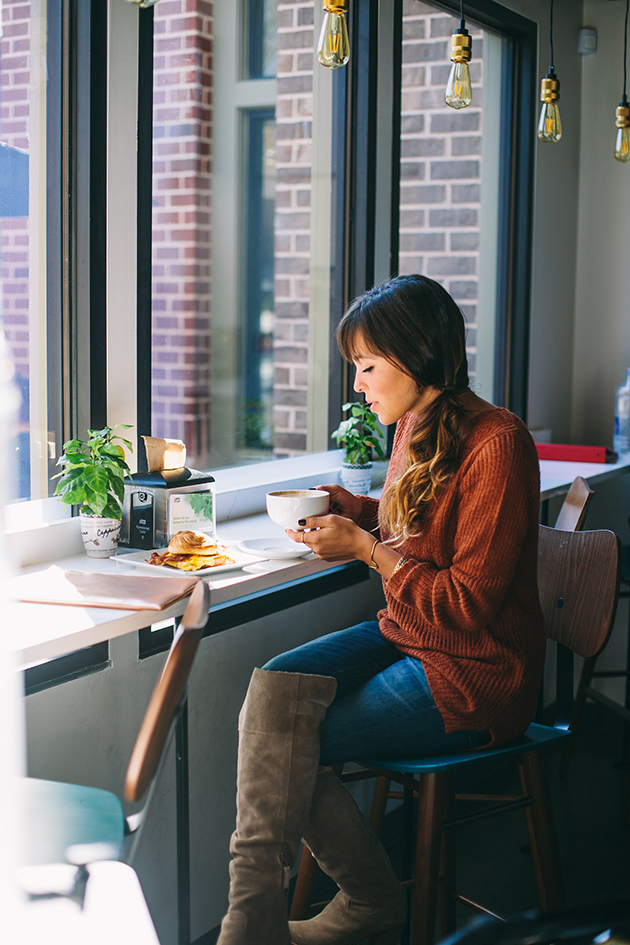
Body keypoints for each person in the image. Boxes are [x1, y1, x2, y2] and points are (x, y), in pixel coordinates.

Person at [216, 274, 546, 945]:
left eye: (367, 367)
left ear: (417, 357)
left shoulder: (499, 443)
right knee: (270, 697)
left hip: (475, 672)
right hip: (410, 637)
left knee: (285, 745)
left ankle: (347, 905)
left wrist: (368, 550)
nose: (359, 386)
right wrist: (355, 509)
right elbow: (419, 526)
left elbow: (467, 601)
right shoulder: (417, 426)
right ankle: (261, 923)